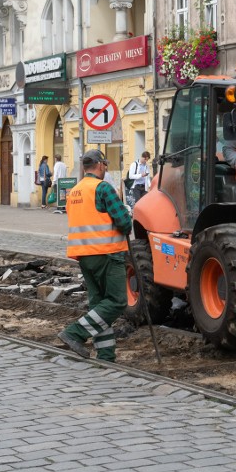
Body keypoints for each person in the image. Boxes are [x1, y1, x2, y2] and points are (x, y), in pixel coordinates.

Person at [57, 149, 132, 361]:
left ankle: (106, 354)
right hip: (107, 253)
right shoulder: (103, 188)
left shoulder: (75, 191)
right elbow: (124, 222)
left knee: (99, 305)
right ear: (99, 165)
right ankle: (74, 333)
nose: (105, 168)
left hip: (84, 255)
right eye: (105, 165)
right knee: (117, 301)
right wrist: (128, 217)